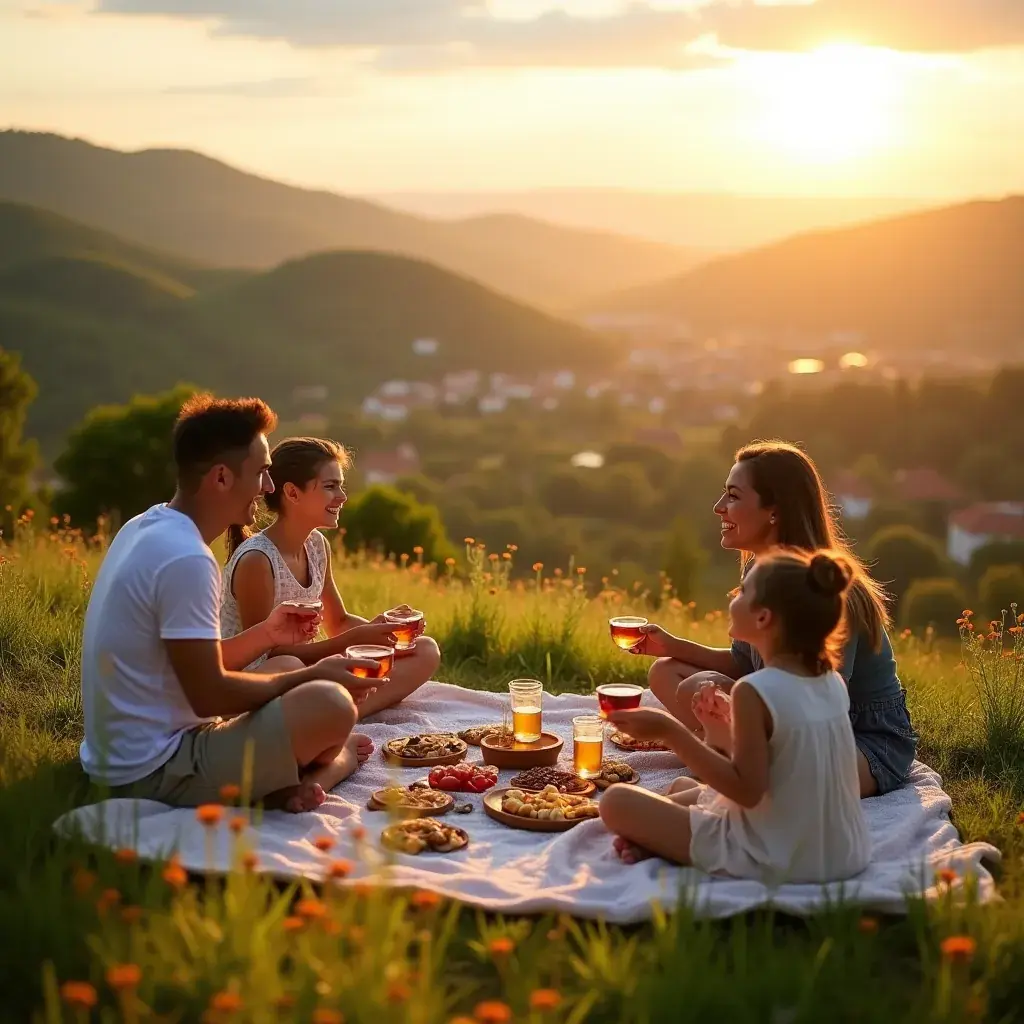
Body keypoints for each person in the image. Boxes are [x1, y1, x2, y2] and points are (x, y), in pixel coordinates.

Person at [80, 395, 382, 813]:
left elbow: (197, 665)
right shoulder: (187, 558)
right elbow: (210, 696)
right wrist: (313, 676)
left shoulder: (146, 525)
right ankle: (324, 769)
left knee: (303, 682)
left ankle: (292, 771)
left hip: (122, 756)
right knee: (329, 703)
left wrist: (268, 634)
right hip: (157, 771)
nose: (270, 488)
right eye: (261, 473)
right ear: (221, 478)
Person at [638, 441, 917, 797]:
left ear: (775, 511)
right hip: (783, 714)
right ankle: (732, 765)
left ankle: (732, 771)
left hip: (855, 739)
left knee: (766, 769)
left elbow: (820, 706)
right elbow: (744, 662)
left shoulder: (821, 589)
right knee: (669, 672)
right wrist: (673, 646)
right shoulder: (761, 570)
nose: (719, 508)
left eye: (734, 497)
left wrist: (737, 721)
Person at [600, 548, 872, 882]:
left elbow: (746, 791)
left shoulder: (753, 690)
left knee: (616, 802)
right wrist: (721, 733)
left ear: (763, 618)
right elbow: (784, 767)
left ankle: (661, 841)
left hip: (781, 857)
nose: (733, 598)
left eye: (744, 592)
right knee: (685, 787)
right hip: (842, 851)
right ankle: (659, 840)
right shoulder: (830, 681)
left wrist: (669, 730)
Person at [220, 436, 441, 718]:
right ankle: (331, 712)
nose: (342, 497)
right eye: (330, 486)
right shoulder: (257, 560)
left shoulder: (317, 545)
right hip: (261, 682)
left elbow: (338, 622)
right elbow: (267, 656)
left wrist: (382, 632)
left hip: (308, 673)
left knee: (423, 650)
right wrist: (352, 642)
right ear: (293, 493)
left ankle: (344, 713)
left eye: (340, 485)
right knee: (289, 664)